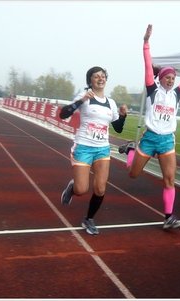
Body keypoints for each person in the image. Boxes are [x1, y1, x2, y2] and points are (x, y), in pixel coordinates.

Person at [118, 24, 180, 229]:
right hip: (149, 138)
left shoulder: (176, 94)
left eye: (173, 78)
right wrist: (146, 43)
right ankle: (131, 150)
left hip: (167, 140)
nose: (171, 80)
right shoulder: (152, 90)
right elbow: (148, 66)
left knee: (170, 179)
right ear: (160, 78)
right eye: (168, 77)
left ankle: (168, 217)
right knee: (133, 174)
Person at [59, 66, 128, 235]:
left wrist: (123, 115)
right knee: (82, 190)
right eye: (96, 76)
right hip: (83, 147)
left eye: (103, 76)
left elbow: (118, 128)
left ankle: (88, 219)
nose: (100, 79)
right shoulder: (85, 98)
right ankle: (72, 188)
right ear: (90, 81)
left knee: (100, 189)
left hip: (102, 149)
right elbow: (63, 114)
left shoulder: (111, 103)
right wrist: (80, 101)